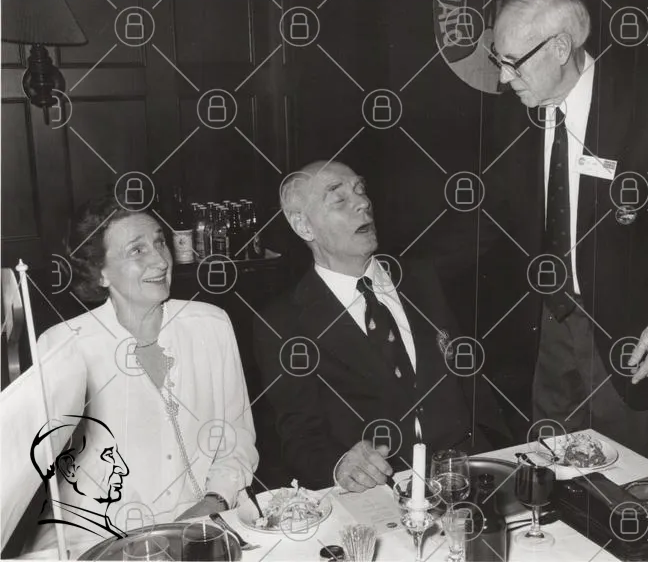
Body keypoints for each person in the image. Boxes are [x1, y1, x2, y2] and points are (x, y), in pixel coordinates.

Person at [422, 0, 648, 461]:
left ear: (560, 48)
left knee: (625, 484)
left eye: (512, 63)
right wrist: (403, 271)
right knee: (549, 474)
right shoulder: (515, 111)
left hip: (631, 338)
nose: (503, 78)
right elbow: (488, 220)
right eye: (498, 61)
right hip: (545, 331)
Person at [253, 161, 509, 492]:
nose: (362, 203)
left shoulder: (423, 279)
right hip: (378, 490)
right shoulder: (284, 323)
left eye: (361, 190)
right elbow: (300, 436)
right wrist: (340, 466)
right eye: (339, 199)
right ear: (304, 226)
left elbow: (471, 386)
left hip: (467, 473)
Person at [27, 193, 258, 552]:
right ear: (100, 272)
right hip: (100, 536)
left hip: (204, 521)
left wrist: (213, 501)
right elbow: (38, 463)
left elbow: (237, 438)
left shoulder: (211, 324)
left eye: (159, 242)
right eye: (137, 250)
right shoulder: (63, 345)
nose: (160, 260)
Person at [31, 416, 129, 541]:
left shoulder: (98, 529)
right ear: (69, 468)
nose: (123, 469)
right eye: (108, 455)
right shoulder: (65, 543)